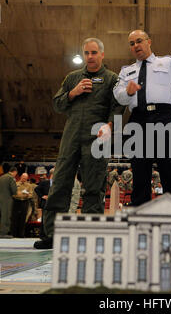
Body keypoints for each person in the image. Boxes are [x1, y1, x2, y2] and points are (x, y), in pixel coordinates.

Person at [34, 37, 124, 249]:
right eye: (87, 53)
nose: (90, 57)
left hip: (97, 139)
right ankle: (51, 235)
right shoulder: (72, 77)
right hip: (71, 138)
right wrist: (73, 93)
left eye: (94, 53)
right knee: (60, 185)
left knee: (93, 188)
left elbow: (119, 108)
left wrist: (110, 126)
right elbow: (57, 104)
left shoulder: (112, 79)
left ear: (102, 54)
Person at [113, 30, 171, 206]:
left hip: (165, 117)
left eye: (139, 41)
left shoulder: (168, 62)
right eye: (132, 43)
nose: (135, 46)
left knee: (170, 172)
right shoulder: (126, 71)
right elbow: (118, 95)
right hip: (138, 120)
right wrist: (127, 91)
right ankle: (140, 221)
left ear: (149, 42)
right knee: (140, 175)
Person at [0, 167, 18, 239]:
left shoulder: (1, 177)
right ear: (14, 172)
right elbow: (14, 190)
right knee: (5, 216)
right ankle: (4, 233)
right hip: (6, 199)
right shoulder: (11, 178)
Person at [34, 168, 54, 240]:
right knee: (44, 220)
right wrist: (42, 196)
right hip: (45, 204)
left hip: (54, 205)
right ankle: (43, 236)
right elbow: (36, 189)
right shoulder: (45, 182)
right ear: (52, 174)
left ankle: (51, 235)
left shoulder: (58, 184)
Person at [12, 173, 33, 238]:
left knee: (23, 218)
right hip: (16, 202)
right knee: (15, 218)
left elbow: (31, 195)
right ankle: (13, 233)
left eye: (25, 178)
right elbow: (13, 194)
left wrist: (27, 195)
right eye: (23, 178)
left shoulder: (29, 185)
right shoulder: (15, 184)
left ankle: (21, 234)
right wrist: (20, 194)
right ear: (21, 177)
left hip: (25, 202)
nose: (24, 179)